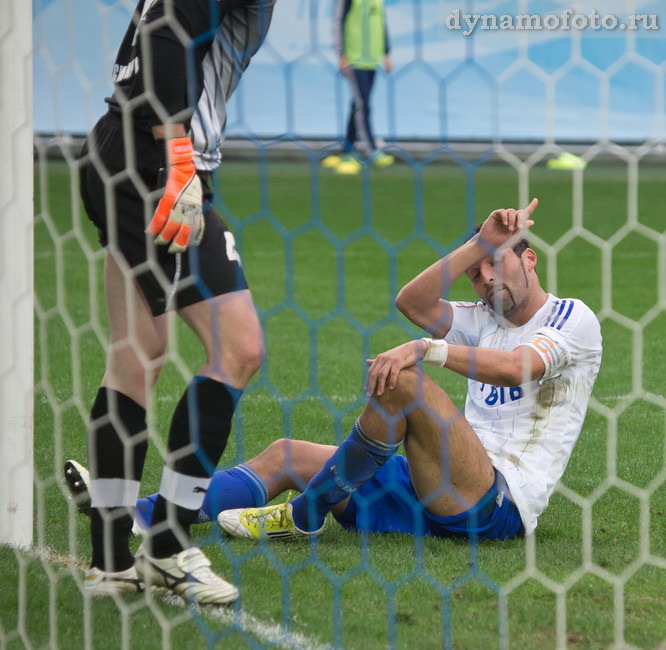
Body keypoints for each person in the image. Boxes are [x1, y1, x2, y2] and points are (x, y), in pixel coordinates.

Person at [215, 199, 603, 541]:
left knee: (405, 382)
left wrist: (425, 348)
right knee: (287, 455)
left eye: (497, 261)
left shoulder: (569, 317)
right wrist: (478, 244)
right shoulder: (483, 320)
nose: (485, 277)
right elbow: (413, 303)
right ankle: (161, 514)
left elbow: (516, 368)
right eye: (475, 271)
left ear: (529, 259)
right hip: (437, 482)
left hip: (496, 502)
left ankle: (304, 514)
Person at [77, 0, 275, 604]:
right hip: (154, 162)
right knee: (239, 348)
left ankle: (111, 561)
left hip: (123, 151)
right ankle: (166, 546)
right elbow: (167, 31)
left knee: (139, 353)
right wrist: (178, 157)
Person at [322, 0, 395, 175]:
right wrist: (342, 54)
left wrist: (386, 53)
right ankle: (371, 149)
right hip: (354, 58)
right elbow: (338, 21)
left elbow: (381, 23)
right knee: (363, 105)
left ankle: (347, 150)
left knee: (358, 104)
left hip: (373, 59)